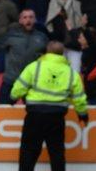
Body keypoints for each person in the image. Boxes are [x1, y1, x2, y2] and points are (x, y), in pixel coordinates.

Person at [10, 41, 88, 171]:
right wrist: (82, 114)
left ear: (47, 52)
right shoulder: (71, 73)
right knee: (57, 154)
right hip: (56, 117)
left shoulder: (34, 67)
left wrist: (12, 98)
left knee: (29, 153)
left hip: (34, 116)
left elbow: (19, 87)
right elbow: (79, 98)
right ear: (62, 53)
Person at [0, 9, 48, 104]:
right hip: (11, 80)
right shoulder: (11, 36)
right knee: (2, 111)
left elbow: (49, 57)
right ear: (20, 20)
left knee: (35, 113)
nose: (28, 20)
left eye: (31, 17)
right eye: (25, 17)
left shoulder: (42, 38)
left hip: (32, 82)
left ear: (35, 20)